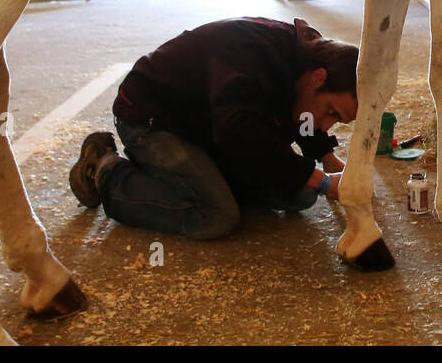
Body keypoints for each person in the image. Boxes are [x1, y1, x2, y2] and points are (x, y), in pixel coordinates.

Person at [69, 16, 358, 240]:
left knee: (301, 194)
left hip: (208, 122)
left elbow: (302, 113)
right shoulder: (252, 54)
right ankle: (106, 172)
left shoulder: (310, 59)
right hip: (152, 117)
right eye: (331, 112)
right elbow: (239, 130)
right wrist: (320, 180)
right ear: (318, 78)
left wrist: (326, 158)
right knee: (217, 216)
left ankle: (199, 180)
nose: (327, 124)